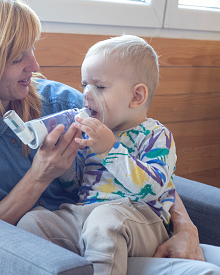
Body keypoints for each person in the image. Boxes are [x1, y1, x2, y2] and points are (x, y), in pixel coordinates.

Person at [0, 0, 220, 273]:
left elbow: (145, 161)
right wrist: (38, 177)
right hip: (53, 251)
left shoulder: (57, 103)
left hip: (121, 237)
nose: (35, 66)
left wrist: (185, 229)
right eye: (18, 58)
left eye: (31, 49)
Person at [16, 35, 177, 274]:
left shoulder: (156, 135)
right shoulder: (97, 133)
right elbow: (76, 186)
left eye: (100, 87)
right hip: (86, 214)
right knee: (34, 221)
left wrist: (110, 150)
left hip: (140, 220)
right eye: (85, 85)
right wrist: (66, 161)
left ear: (137, 96)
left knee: (104, 221)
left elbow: (153, 188)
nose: (87, 95)